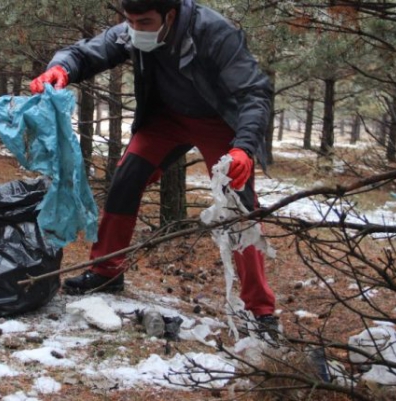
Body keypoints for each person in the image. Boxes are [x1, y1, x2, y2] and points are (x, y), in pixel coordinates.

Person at [30, 0, 278, 331]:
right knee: (126, 178)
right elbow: (86, 52)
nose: (135, 30)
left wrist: (245, 148)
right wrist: (61, 68)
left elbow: (254, 93)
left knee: (238, 207)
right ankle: (107, 272)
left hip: (220, 123)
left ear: (170, 15)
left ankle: (259, 309)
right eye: (129, 22)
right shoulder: (135, 28)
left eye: (144, 22)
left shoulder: (215, 34)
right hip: (167, 121)